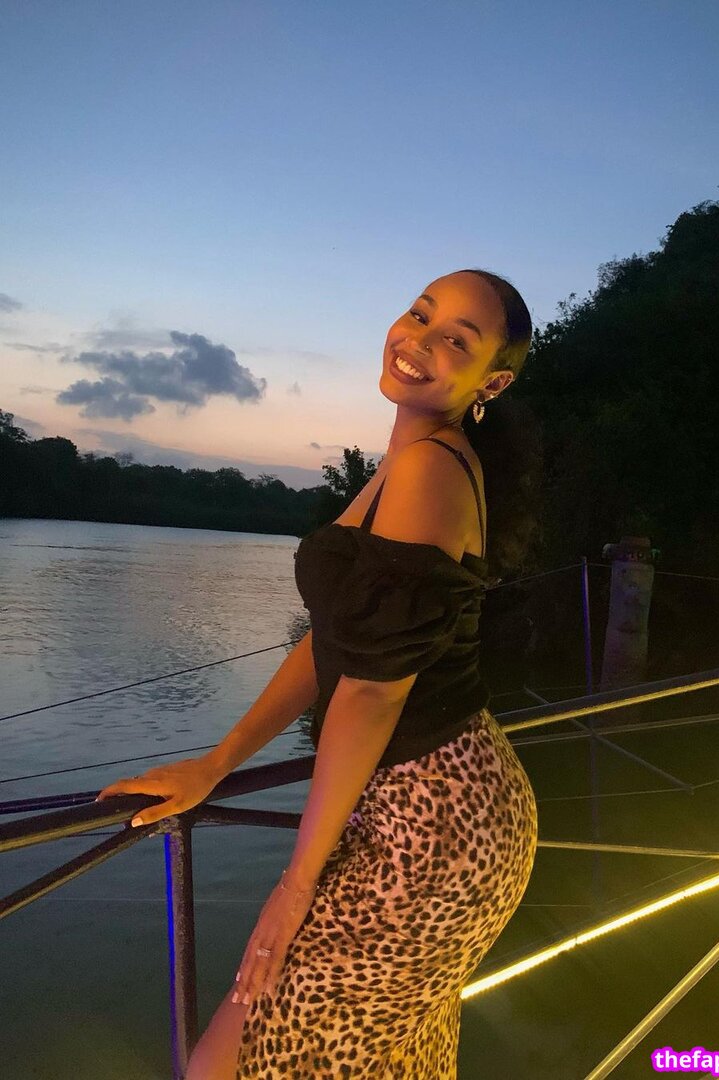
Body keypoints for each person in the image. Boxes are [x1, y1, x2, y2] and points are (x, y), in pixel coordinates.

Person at [95, 268, 539, 1079]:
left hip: (433, 827)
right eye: (420, 314)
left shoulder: (431, 469)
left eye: (456, 340)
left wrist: (295, 887)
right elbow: (333, 637)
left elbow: (371, 692)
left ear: (492, 381)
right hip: (429, 810)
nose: (419, 340)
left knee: (253, 1062)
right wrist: (218, 762)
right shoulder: (409, 460)